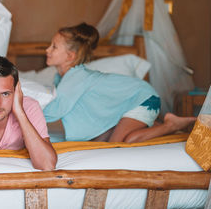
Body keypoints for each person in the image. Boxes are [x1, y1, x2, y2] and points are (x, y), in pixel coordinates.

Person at [43, 22, 196, 143]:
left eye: (54, 47)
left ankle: (171, 125)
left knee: (119, 143)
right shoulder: (65, 78)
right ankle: (153, 125)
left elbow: (57, 110)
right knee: (100, 139)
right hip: (130, 103)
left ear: (70, 56)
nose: (47, 50)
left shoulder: (75, 76)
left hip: (143, 99)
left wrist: (24, 112)